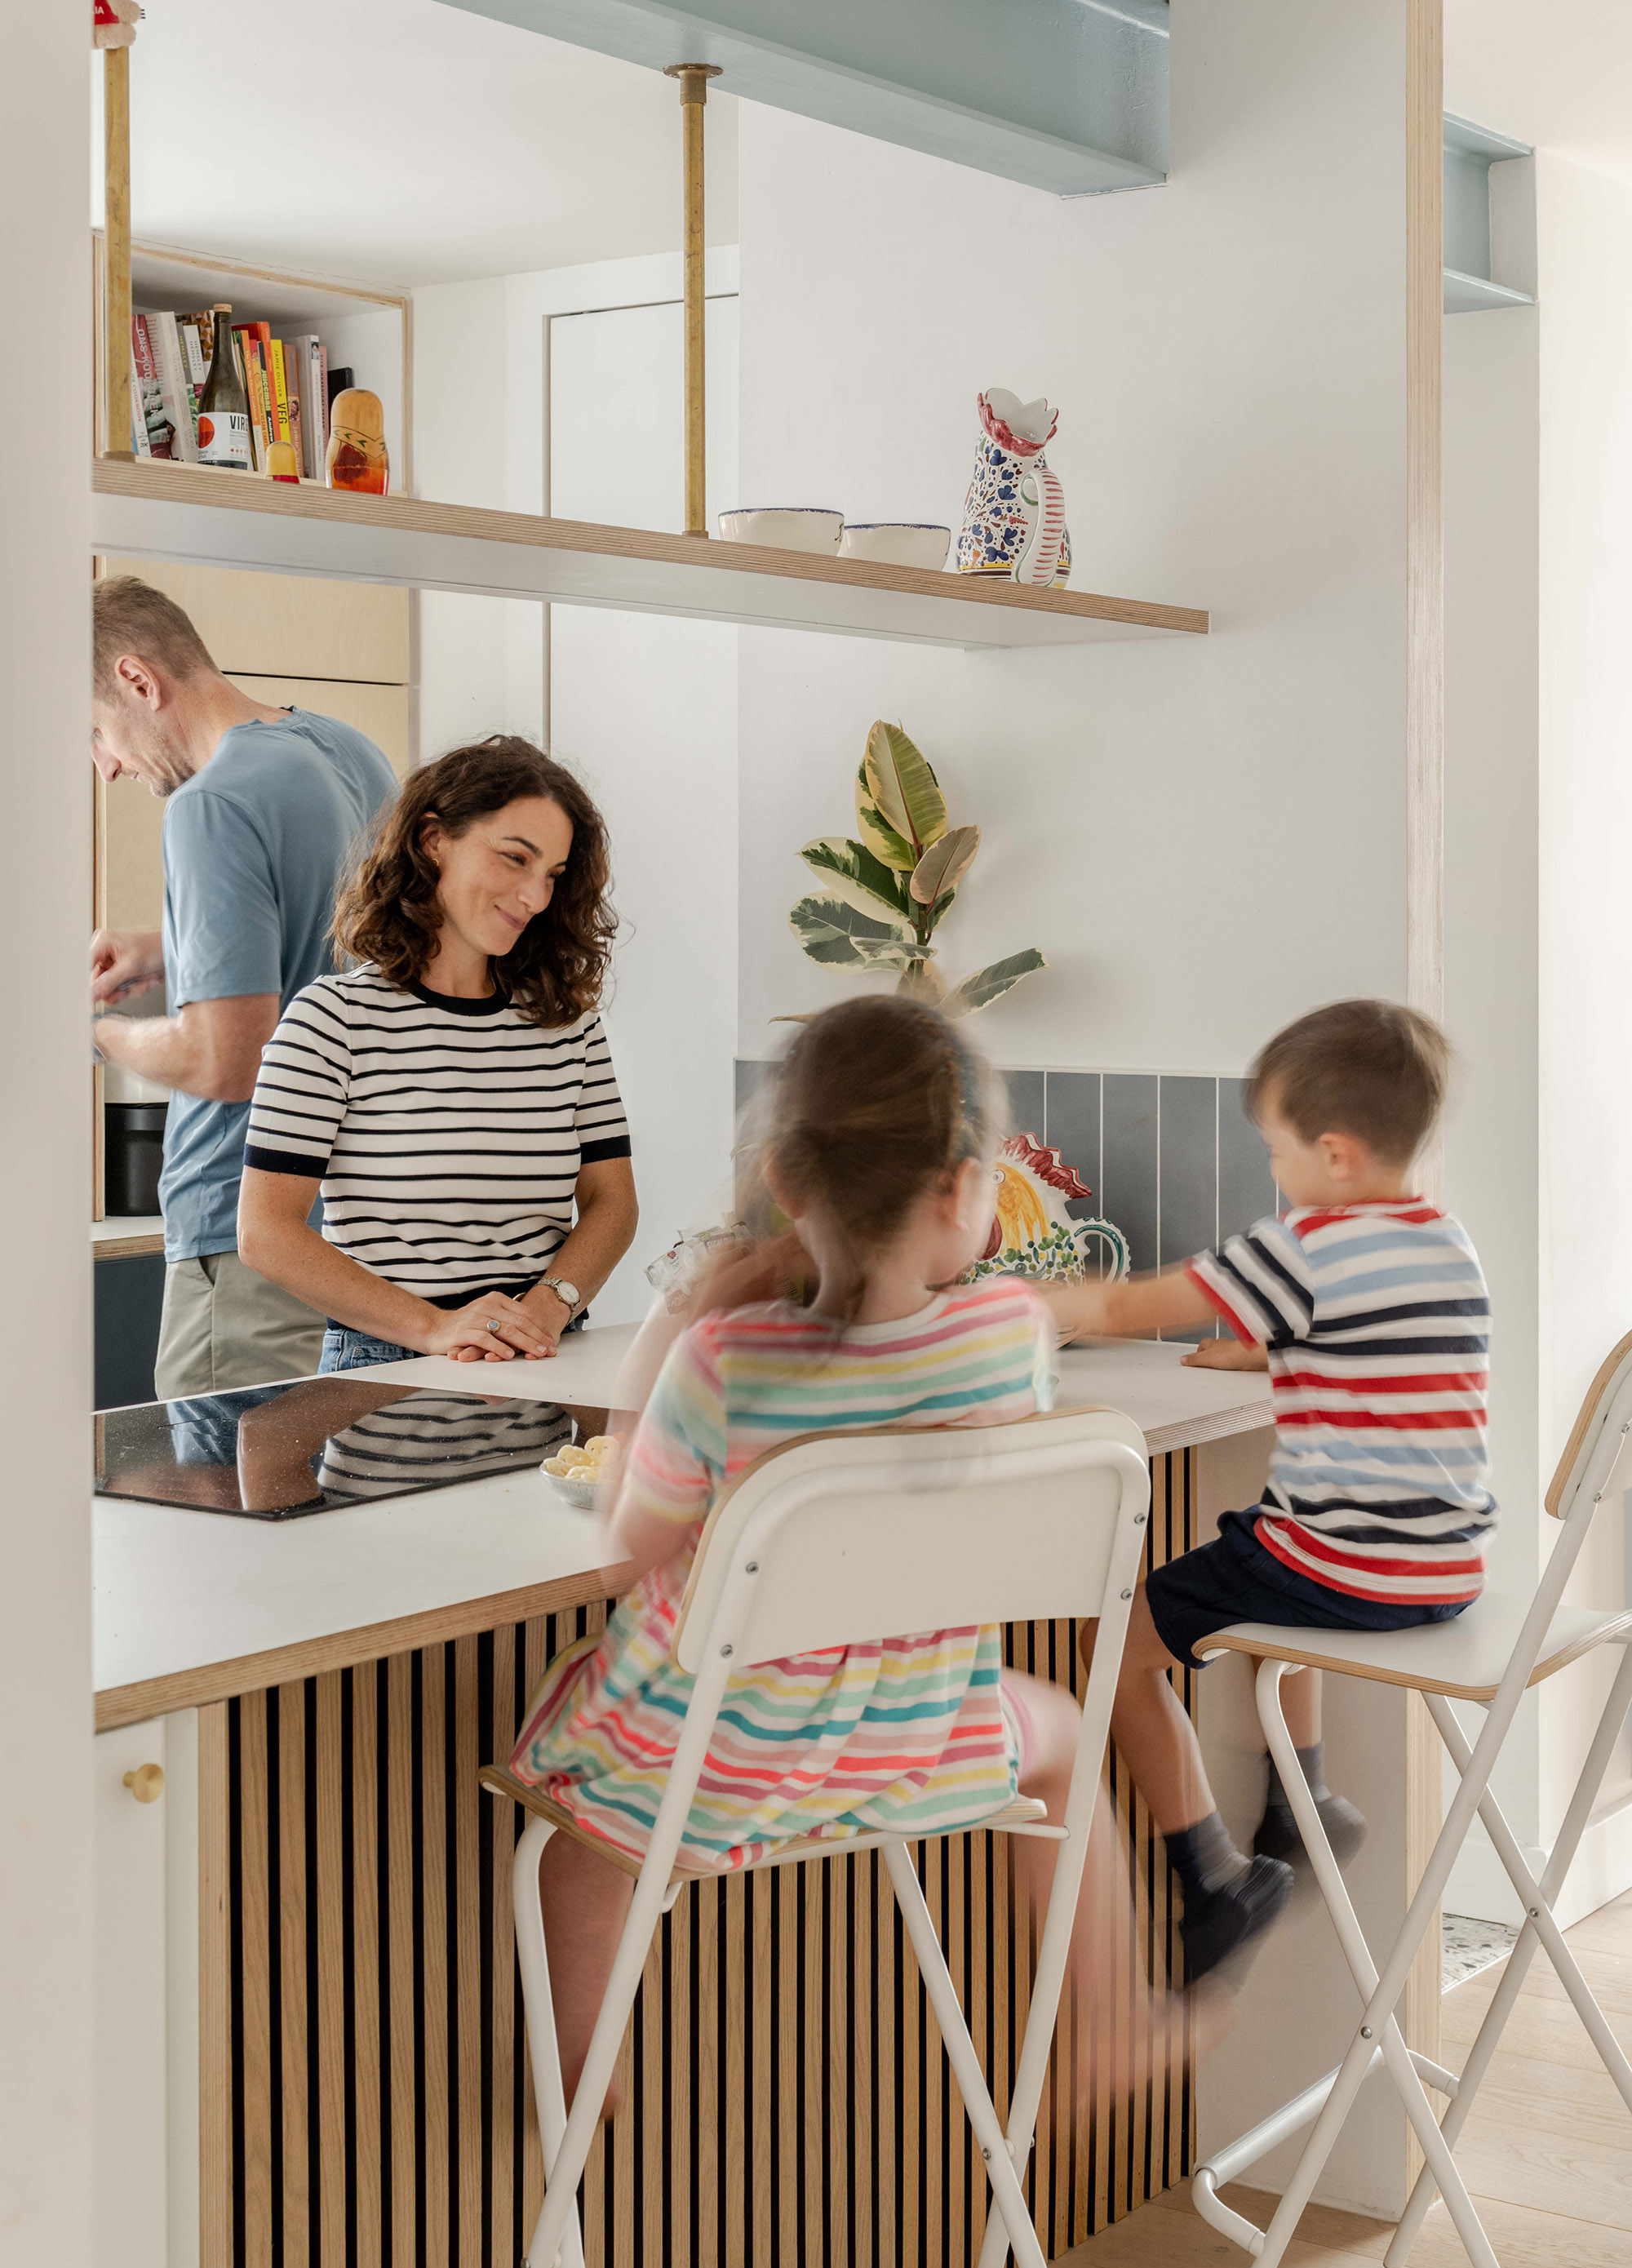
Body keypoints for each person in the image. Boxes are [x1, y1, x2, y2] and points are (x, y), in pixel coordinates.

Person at [507, 996, 1208, 2119]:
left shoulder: (726, 1360)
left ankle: (581, 2099)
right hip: (916, 1741)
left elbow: (621, 1555)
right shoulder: (1006, 1336)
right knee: (1067, 1736)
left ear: (785, 1183)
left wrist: (675, 1328)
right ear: (966, 1196)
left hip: (709, 1768)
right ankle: (1108, 2023)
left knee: (577, 1852)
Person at [1044, 999, 1497, 1980]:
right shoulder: (1442, 1242)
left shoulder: (1302, 1245)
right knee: (1272, 1534)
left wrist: (1003, 1303)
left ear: (1333, 1155)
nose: (1273, 1171)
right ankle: (1304, 1803)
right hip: (1445, 1569)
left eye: (1276, 1151)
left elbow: (1125, 1305)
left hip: (1342, 1573)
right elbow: (1389, 1360)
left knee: (1111, 1647)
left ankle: (1209, 1875)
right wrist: (1268, 1356)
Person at [237, 735, 638, 1370]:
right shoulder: (331, 1021)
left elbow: (613, 1203)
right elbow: (266, 1235)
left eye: (553, 877)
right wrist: (436, 1328)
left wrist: (550, 1306)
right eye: (514, 858)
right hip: (387, 1357)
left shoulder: (569, 1026)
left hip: (544, 1350)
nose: (535, 897)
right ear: (432, 839)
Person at [90, 575, 396, 1396]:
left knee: (227, 1509)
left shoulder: (209, 803)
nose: (106, 767)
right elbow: (333, 942)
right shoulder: (348, 753)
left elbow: (228, 1061)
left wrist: (96, 1031)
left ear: (137, 681)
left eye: (95, 733)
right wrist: (166, 950)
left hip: (244, 1234)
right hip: (360, 1229)